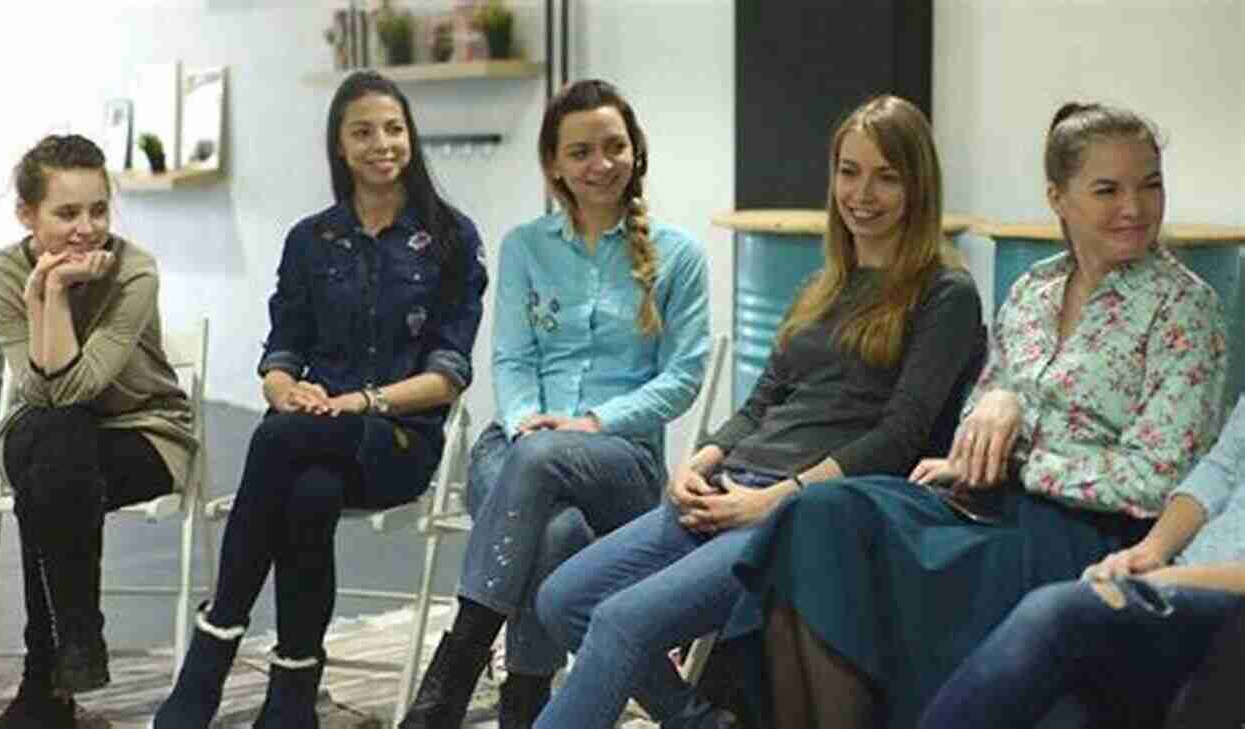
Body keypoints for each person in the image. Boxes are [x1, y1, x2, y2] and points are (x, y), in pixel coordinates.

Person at [735, 102, 1228, 729]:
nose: (1134, 207)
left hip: (1083, 529)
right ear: (1060, 198)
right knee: (817, 515)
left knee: (857, 549)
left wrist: (1022, 454)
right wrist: (995, 408)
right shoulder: (1031, 291)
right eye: (1108, 189)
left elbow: (1159, 477)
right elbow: (978, 413)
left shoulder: (1185, 307)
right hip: (983, 502)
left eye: (1149, 185)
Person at [533, 94, 985, 729]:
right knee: (562, 600)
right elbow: (763, 402)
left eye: (887, 175)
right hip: (729, 488)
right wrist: (701, 459)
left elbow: (899, 437)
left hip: (805, 513)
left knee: (618, 622)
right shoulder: (822, 286)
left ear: (919, 185)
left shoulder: (946, 294)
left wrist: (774, 501)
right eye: (849, 171)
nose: (863, 193)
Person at [153, 70, 488, 729]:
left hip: (399, 438)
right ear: (339, 145)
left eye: (394, 129)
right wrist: (287, 390)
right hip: (318, 433)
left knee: (277, 439)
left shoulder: (451, 238)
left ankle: (212, 649)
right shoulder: (310, 240)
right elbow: (282, 349)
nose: (382, 143)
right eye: (363, 131)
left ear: (410, 137)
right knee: (307, 493)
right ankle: (292, 696)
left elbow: (448, 374)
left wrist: (358, 402)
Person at [398, 78, 711, 729]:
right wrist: (523, 423)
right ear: (554, 165)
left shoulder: (680, 255)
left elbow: (682, 378)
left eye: (613, 146)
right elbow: (511, 360)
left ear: (636, 151)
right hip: (516, 443)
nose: (600, 165)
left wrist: (591, 423)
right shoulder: (524, 247)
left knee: (542, 462)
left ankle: (452, 675)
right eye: (580, 152)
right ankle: (526, 706)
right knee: (557, 531)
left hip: (620, 460)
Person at [0, 134, 199, 729]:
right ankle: (79, 641)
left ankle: (43, 687)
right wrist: (43, 289)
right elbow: (44, 394)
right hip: (46, 432)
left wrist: (51, 292)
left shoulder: (134, 271)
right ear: (28, 214)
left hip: (146, 431)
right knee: (56, 446)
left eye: (98, 210)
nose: (87, 228)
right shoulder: (1, 272)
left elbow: (75, 387)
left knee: (46, 482)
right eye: (66, 212)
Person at [919, 395, 1245, 729]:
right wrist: (1150, 551)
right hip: (1182, 574)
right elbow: (1220, 471)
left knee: (1055, 610)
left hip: (1227, 604)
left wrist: (1173, 579)